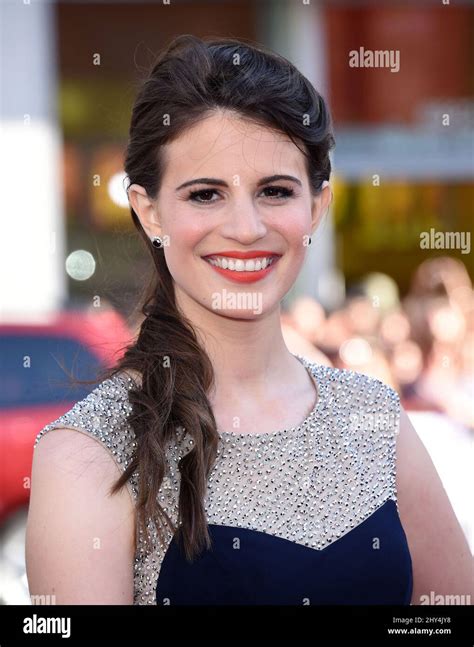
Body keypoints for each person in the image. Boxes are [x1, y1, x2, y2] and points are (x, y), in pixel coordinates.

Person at [26, 34, 473, 606]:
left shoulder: (375, 420)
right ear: (149, 210)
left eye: (275, 191)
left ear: (317, 207)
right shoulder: (91, 452)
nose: (245, 227)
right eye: (206, 194)